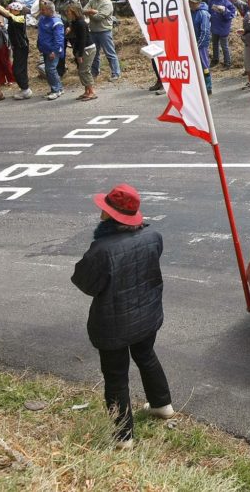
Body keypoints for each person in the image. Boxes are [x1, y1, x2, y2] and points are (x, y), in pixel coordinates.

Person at [71, 183, 174, 450]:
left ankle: (123, 437)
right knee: (146, 356)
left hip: (113, 324)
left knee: (116, 376)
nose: (100, 214)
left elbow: (85, 284)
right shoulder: (154, 237)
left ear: (110, 215)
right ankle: (162, 405)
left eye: (104, 210)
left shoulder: (102, 249)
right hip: (147, 314)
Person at [0, 0, 31, 100]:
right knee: (18, 69)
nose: (9, 11)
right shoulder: (14, 18)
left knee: (17, 70)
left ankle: (25, 90)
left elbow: (6, 13)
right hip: (17, 47)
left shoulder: (20, 18)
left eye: (11, 9)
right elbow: (4, 12)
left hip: (22, 47)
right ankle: (24, 89)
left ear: (17, 11)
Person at [84, 0, 119, 81]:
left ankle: (116, 73)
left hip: (104, 31)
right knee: (94, 54)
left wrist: (91, 12)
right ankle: (95, 72)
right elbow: (83, 10)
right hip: (93, 31)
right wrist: (93, 11)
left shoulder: (107, 3)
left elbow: (98, 18)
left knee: (110, 53)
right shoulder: (92, 0)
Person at [66, 3, 97, 101]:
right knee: (81, 70)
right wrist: (69, 28)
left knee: (84, 70)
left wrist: (79, 54)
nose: (67, 14)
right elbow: (73, 29)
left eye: (69, 12)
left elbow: (83, 40)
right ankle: (87, 91)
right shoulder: (75, 22)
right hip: (81, 48)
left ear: (74, 12)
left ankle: (92, 92)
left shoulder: (81, 23)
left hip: (87, 49)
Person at [37, 0, 65, 100]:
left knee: (50, 69)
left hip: (53, 50)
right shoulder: (42, 19)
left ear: (50, 10)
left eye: (43, 10)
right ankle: (59, 88)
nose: (41, 11)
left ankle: (56, 90)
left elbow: (59, 39)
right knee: (49, 70)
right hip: (45, 49)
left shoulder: (56, 22)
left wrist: (55, 51)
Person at [207, 0, 237, 69]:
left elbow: (232, 14)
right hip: (214, 25)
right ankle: (215, 60)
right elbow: (209, 10)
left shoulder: (228, 0)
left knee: (224, 45)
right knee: (215, 44)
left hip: (223, 26)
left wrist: (224, 11)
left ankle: (227, 63)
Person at [187, 0, 213, 95]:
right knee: (193, 66)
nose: (190, 4)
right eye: (189, 2)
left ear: (197, 2)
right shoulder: (190, 12)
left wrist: (198, 45)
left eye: (192, 2)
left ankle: (208, 87)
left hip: (201, 45)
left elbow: (205, 31)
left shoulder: (203, 13)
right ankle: (197, 87)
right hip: (192, 44)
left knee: (204, 66)